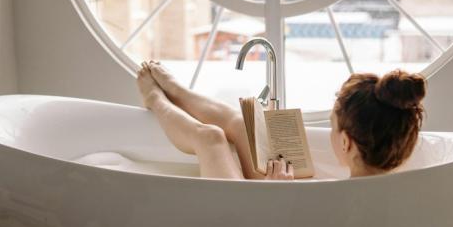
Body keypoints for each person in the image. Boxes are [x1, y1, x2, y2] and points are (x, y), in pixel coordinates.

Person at [136, 60, 426, 180]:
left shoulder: (345, 200)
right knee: (242, 124)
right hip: (282, 208)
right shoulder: (402, 187)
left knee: (210, 138)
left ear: (346, 143)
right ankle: (177, 91)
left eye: (332, 126)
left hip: (245, 226)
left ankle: (156, 100)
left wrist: (277, 198)